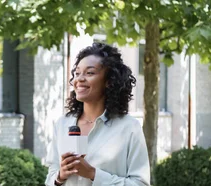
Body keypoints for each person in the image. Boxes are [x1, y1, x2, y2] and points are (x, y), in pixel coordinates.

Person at [45, 43, 150, 186]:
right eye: (77, 73)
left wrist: (92, 174)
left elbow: (140, 184)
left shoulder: (129, 128)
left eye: (89, 73)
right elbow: (51, 175)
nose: (79, 79)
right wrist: (60, 177)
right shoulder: (62, 124)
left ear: (109, 81)